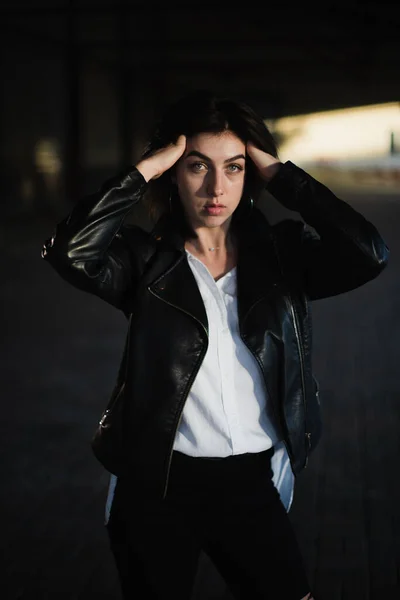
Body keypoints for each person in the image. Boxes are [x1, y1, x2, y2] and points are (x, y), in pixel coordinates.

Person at [41, 90, 389, 600]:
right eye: (197, 166)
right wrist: (142, 172)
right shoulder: (145, 263)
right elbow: (71, 252)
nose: (216, 187)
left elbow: (369, 253)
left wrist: (284, 176)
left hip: (250, 481)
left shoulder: (282, 256)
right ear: (174, 173)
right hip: (157, 484)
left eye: (235, 167)